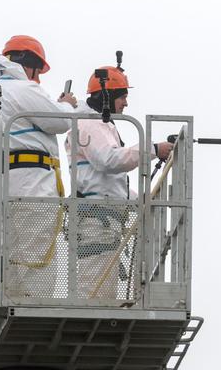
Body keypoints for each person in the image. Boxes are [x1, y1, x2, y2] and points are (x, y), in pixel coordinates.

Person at [0, 35, 77, 298]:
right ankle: (35, 307)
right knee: (36, 257)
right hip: (33, 186)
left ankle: (13, 300)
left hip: (1, 185)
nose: (39, 79)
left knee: (11, 256)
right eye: (38, 71)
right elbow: (60, 122)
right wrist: (67, 104)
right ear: (28, 63)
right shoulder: (24, 90)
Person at [64, 66, 173, 301]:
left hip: (102, 218)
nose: (125, 104)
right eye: (122, 97)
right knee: (94, 294)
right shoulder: (89, 123)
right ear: (107, 96)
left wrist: (140, 200)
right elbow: (109, 160)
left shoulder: (98, 124)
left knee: (101, 291)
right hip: (97, 220)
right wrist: (152, 150)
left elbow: (107, 184)